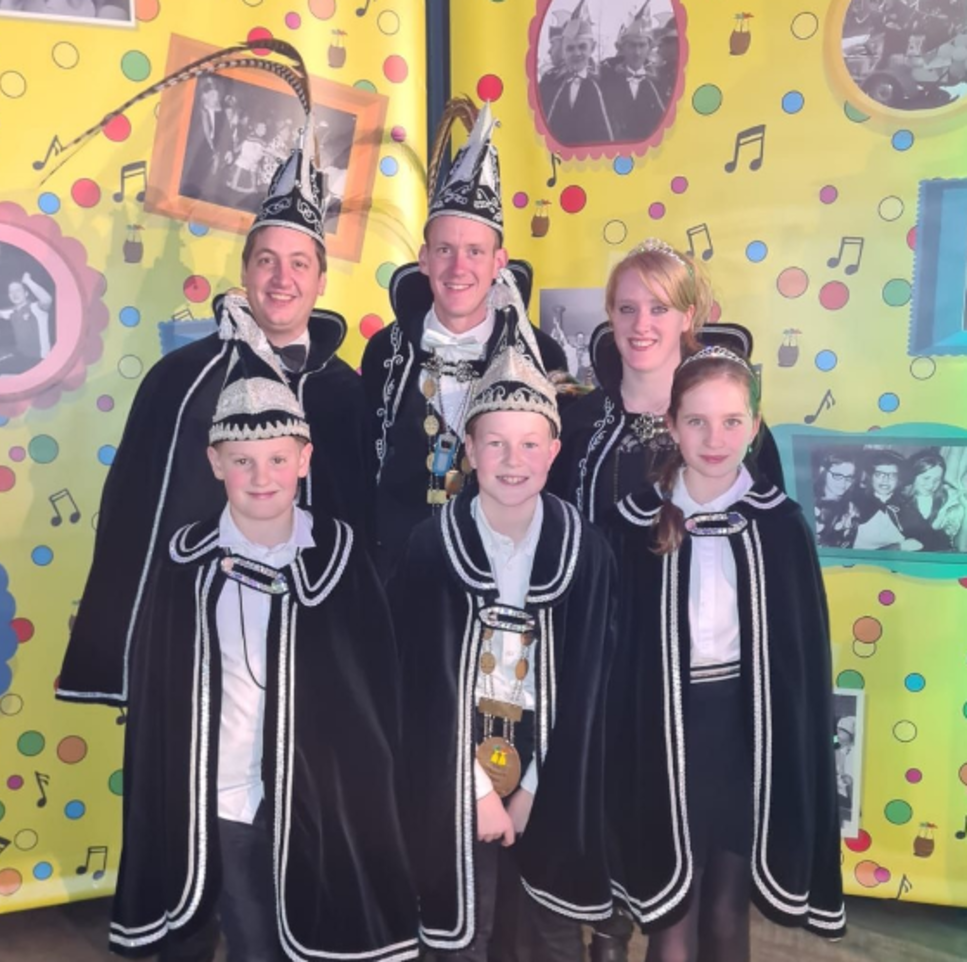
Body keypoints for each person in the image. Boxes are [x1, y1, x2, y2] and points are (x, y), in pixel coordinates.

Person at [58, 346, 418, 961]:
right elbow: (160, 694)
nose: (260, 477)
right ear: (214, 463)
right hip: (217, 797)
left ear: (304, 460)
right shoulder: (185, 561)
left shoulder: (340, 559)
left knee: (302, 941)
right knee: (234, 940)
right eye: (242, 460)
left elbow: (371, 695)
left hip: (316, 804)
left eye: (277, 459)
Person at [60, 43, 375, 710]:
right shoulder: (179, 383)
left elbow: (363, 534)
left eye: (299, 263)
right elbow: (133, 520)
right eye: (267, 260)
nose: (282, 279)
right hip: (198, 658)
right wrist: (124, 652)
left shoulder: (349, 395)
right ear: (246, 269)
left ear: (321, 279)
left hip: (312, 665)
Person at [604, 345, 846, 962]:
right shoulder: (632, 524)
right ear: (671, 425)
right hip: (660, 734)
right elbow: (615, 656)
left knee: (725, 912)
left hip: (746, 736)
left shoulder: (780, 525)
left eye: (732, 421)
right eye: (697, 421)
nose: (715, 439)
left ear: (755, 426)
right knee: (671, 917)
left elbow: (799, 662)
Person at [390, 318, 615, 961]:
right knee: (462, 930)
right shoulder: (431, 548)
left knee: (545, 937)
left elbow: (591, 685)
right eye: (495, 444)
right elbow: (415, 684)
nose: (513, 461)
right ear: (469, 448)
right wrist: (477, 789)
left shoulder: (586, 554)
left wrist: (534, 789)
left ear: (553, 451)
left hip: (551, 779)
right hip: (452, 777)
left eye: (529, 444)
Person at [362, 96, 565, 579]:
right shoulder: (386, 353)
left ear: (499, 262)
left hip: (506, 575)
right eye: (445, 250)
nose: (458, 268)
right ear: (424, 258)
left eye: (475, 251)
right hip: (402, 580)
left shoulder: (541, 355)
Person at [550, 238, 784, 526]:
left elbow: (775, 534)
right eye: (627, 308)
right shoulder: (576, 426)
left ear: (687, 317)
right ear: (611, 315)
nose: (641, 325)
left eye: (659, 308)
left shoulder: (735, 425)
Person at [538, 0, 614, 145]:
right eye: (570, 48)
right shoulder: (549, 83)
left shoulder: (604, 82)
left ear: (592, 48)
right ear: (563, 51)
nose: (576, 53)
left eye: (582, 47)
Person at [600, 10, 667, 143]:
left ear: (649, 48)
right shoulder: (606, 81)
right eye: (632, 45)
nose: (637, 52)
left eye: (642, 45)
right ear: (623, 48)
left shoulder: (658, 82)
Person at [852, 450, 921, 551]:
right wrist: (898, 547)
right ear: (871, 477)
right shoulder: (855, 502)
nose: (885, 479)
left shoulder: (906, 507)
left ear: (899, 480)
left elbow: (928, 539)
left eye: (892, 475)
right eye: (879, 474)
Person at [899, 450, 965, 551]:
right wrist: (941, 516)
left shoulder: (946, 498)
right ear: (912, 475)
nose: (931, 485)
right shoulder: (899, 501)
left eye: (936, 480)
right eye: (926, 478)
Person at [813, 451, 860, 548]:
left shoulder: (851, 511)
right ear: (823, 471)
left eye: (849, 477)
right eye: (837, 475)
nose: (843, 482)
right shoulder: (806, 499)